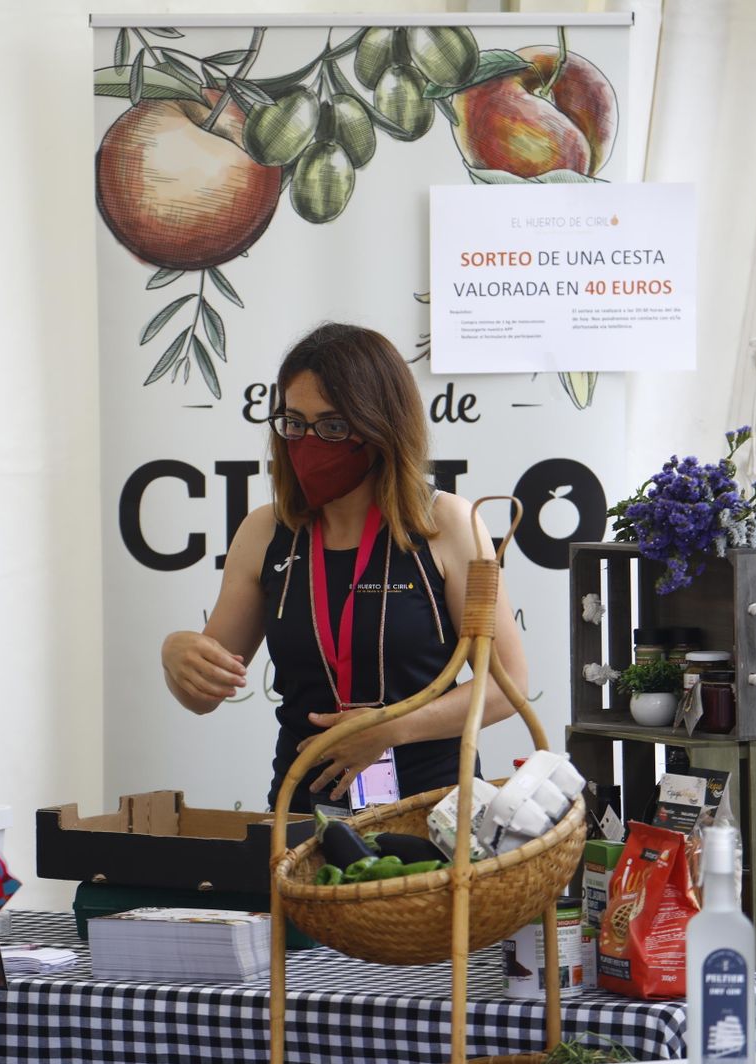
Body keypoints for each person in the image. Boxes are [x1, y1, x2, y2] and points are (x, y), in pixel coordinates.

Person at [160, 323, 528, 813]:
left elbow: (509, 687)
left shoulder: (447, 524)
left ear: (382, 426)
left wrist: (391, 729)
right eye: (294, 422)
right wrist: (175, 655)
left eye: (333, 426)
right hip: (302, 818)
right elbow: (202, 695)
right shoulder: (265, 532)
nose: (308, 442)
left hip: (432, 816)